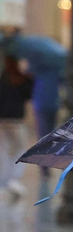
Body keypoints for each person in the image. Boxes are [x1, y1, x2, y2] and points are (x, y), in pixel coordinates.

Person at [0, 55, 34, 199]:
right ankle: (13, 179)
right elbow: (28, 94)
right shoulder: (21, 79)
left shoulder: (3, 78)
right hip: (17, 120)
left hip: (3, 119)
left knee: (5, 150)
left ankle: (5, 181)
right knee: (19, 149)